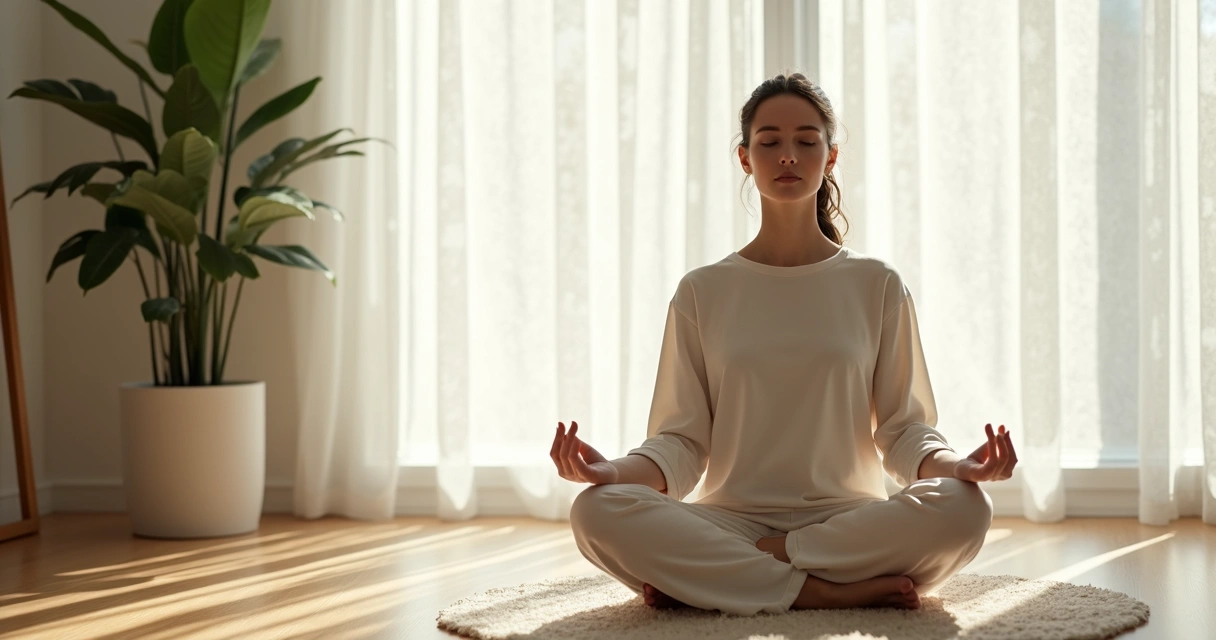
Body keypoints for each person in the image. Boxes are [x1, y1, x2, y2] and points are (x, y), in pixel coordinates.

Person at [549, 72, 1017, 616]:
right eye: (769, 142)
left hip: (848, 521)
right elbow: (680, 442)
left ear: (831, 156)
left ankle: (738, 573)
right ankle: (823, 591)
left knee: (964, 507)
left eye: (806, 141)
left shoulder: (877, 284)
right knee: (595, 511)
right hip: (731, 515)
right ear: (745, 159)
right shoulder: (702, 290)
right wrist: (608, 473)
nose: (788, 155)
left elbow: (903, 430)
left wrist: (960, 467)